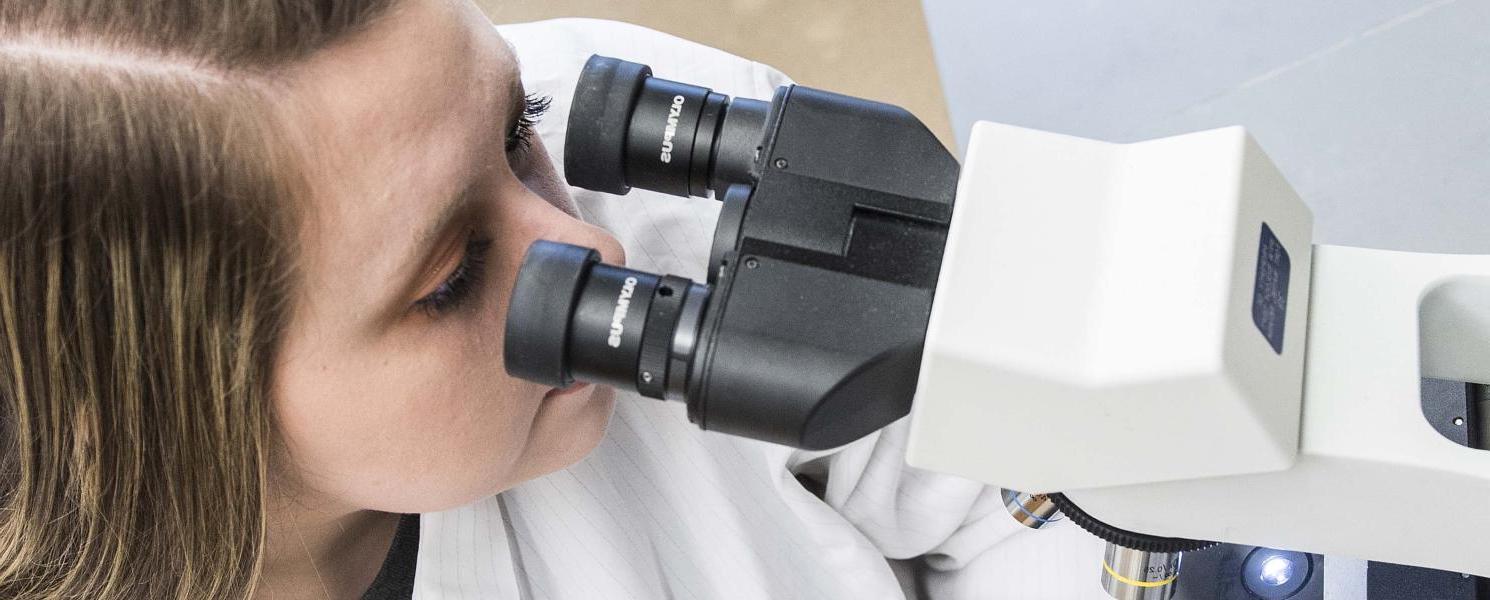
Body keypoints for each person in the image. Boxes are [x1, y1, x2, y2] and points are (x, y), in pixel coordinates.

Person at [1, 2, 1103, 598]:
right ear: (154, 407)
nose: (584, 237)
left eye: (514, 125)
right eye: (453, 278)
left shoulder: (670, 166)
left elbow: (1042, 490)